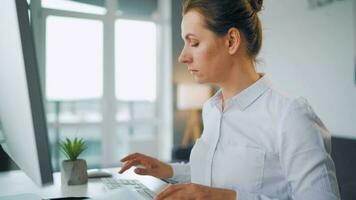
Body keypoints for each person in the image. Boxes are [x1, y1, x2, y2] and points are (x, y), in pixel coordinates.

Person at [118, 0, 341, 199]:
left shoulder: (290, 116)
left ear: (231, 41)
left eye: (193, 42)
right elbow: (214, 172)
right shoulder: (211, 109)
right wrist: (167, 170)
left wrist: (222, 197)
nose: (182, 56)